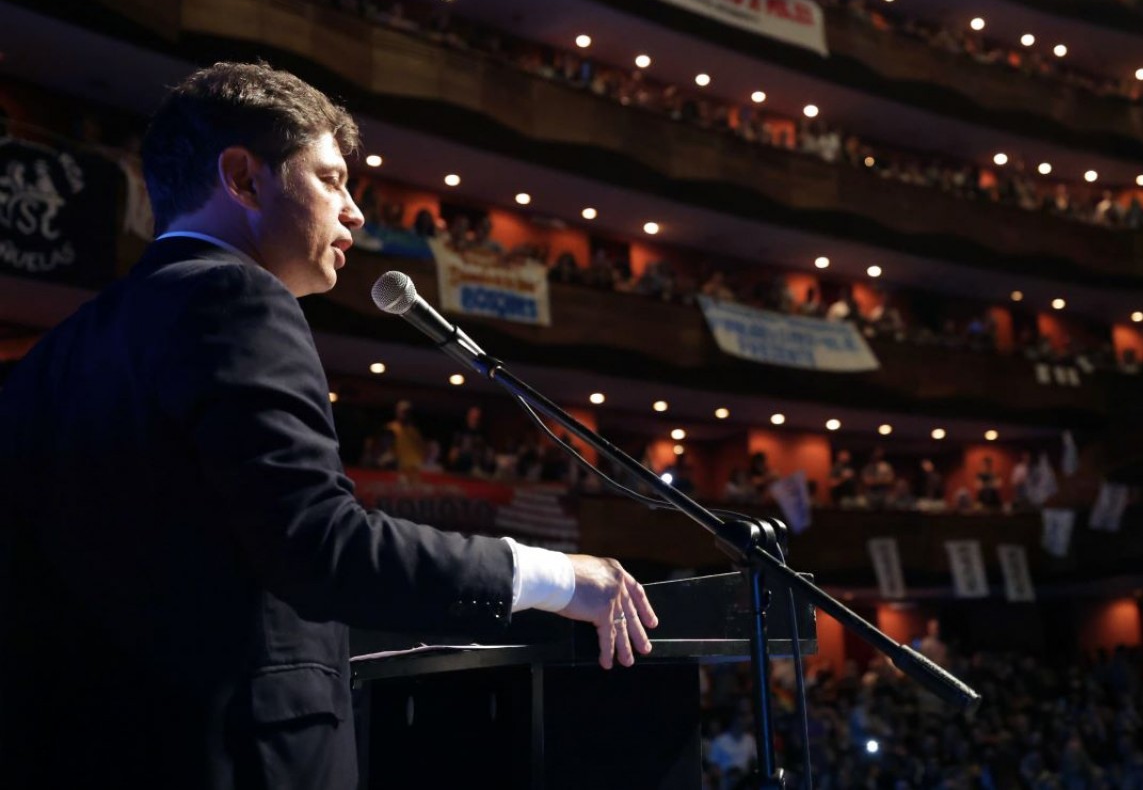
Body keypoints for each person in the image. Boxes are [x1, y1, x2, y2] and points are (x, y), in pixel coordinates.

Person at [0, 63, 657, 789]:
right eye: (332, 179)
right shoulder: (238, 296)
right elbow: (321, 547)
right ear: (245, 179)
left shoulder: (58, 349)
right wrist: (560, 578)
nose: (355, 213)